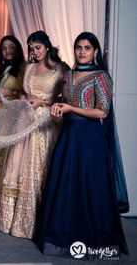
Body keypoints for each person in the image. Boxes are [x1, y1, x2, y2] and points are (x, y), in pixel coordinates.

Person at [39, 32, 128, 258]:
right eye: (79, 47)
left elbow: (102, 111)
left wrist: (70, 109)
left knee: (91, 187)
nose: (82, 51)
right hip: (69, 136)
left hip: (90, 139)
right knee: (67, 185)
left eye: (87, 48)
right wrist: (59, 109)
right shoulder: (68, 75)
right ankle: (63, 239)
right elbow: (67, 104)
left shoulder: (101, 77)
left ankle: (96, 242)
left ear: (95, 51)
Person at [0, 31, 66, 239]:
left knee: (38, 168)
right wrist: (24, 98)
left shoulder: (60, 69)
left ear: (47, 47)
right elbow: (23, 92)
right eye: (31, 48)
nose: (35, 52)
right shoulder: (29, 67)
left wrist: (42, 103)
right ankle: (8, 220)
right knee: (16, 166)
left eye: (38, 48)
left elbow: (64, 100)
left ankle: (35, 223)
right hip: (25, 118)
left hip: (45, 123)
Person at [0, 35, 26, 219]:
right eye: (4, 48)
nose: (7, 51)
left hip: (15, 116)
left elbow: (25, 94)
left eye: (11, 47)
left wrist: (9, 92)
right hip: (1, 117)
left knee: (8, 159)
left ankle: (6, 208)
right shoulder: (4, 69)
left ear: (17, 49)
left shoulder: (24, 69)